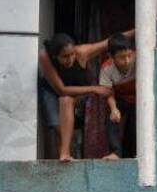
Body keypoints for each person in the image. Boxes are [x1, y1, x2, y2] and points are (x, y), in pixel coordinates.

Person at [39, 32, 116, 161]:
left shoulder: (82, 52)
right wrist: (94, 88)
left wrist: (139, 30)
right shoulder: (45, 56)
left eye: (72, 54)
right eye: (64, 56)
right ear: (55, 56)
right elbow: (61, 89)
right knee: (56, 126)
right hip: (52, 90)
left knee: (66, 101)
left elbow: (108, 43)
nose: (70, 59)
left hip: (78, 93)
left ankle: (64, 154)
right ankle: (63, 156)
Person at [99, 33, 136, 159]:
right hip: (121, 99)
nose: (127, 61)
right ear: (111, 57)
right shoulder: (106, 69)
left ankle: (134, 153)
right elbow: (108, 93)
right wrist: (114, 109)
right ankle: (115, 152)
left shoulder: (139, 60)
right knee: (111, 116)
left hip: (139, 100)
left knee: (133, 127)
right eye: (121, 57)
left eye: (129, 56)